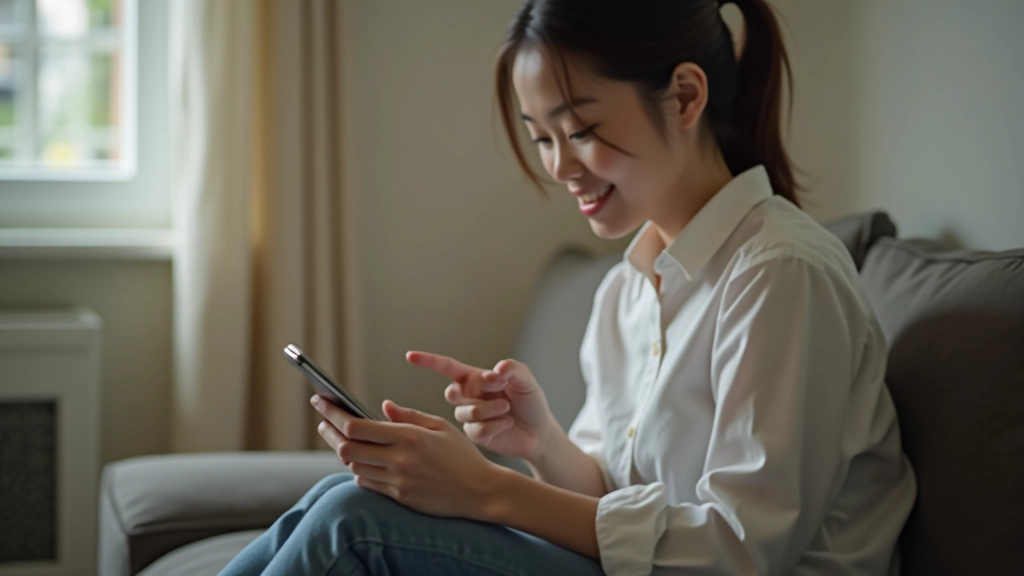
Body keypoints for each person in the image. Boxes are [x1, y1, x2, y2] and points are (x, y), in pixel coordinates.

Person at [220, 0, 916, 574]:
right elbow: (614, 498)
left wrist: (485, 488)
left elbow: (743, 549)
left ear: (684, 96)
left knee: (353, 524)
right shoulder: (627, 291)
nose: (561, 167)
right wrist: (541, 442)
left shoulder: (781, 274)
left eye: (580, 129)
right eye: (542, 139)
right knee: (338, 492)